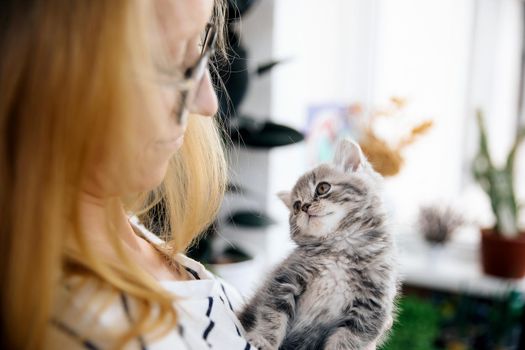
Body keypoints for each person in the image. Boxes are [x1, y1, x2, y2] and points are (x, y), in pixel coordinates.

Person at [0, 1, 379, 349]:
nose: (208, 103)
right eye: (177, 66)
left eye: (202, 52)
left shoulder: (125, 232)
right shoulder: (88, 329)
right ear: (57, 85)